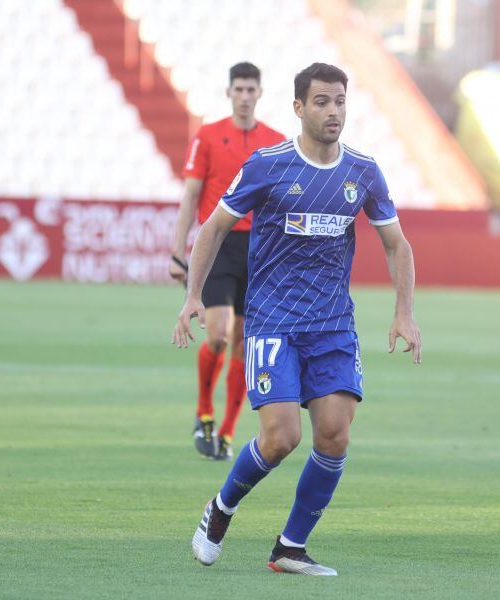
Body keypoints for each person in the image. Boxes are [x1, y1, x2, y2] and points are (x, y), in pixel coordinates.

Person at [172, 63, 422, 575]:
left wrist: (404, 313)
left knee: (334, 435)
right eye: (323, 102)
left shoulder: (363, 171)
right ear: (299, 108)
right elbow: (215, 226)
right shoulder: (268, 166)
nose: (334, 112)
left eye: (341, 101)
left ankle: (290, 547)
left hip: (332, 326)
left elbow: (397, 244)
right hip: (273, 322)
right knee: (282, 438)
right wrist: (193, 294)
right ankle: (219, 511)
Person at [170, 62, 284, 461]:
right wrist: (177, 251)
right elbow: (190, 197)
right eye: (239, 89)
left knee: (242, 345)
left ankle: (228, 432)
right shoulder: (207, 136)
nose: (245, 96)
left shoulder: (275, 142)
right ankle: (203, 412)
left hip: (259, 251)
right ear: (229, 92)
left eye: (252, 89)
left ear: (260, 93)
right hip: (218, 245)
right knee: (217, 334)